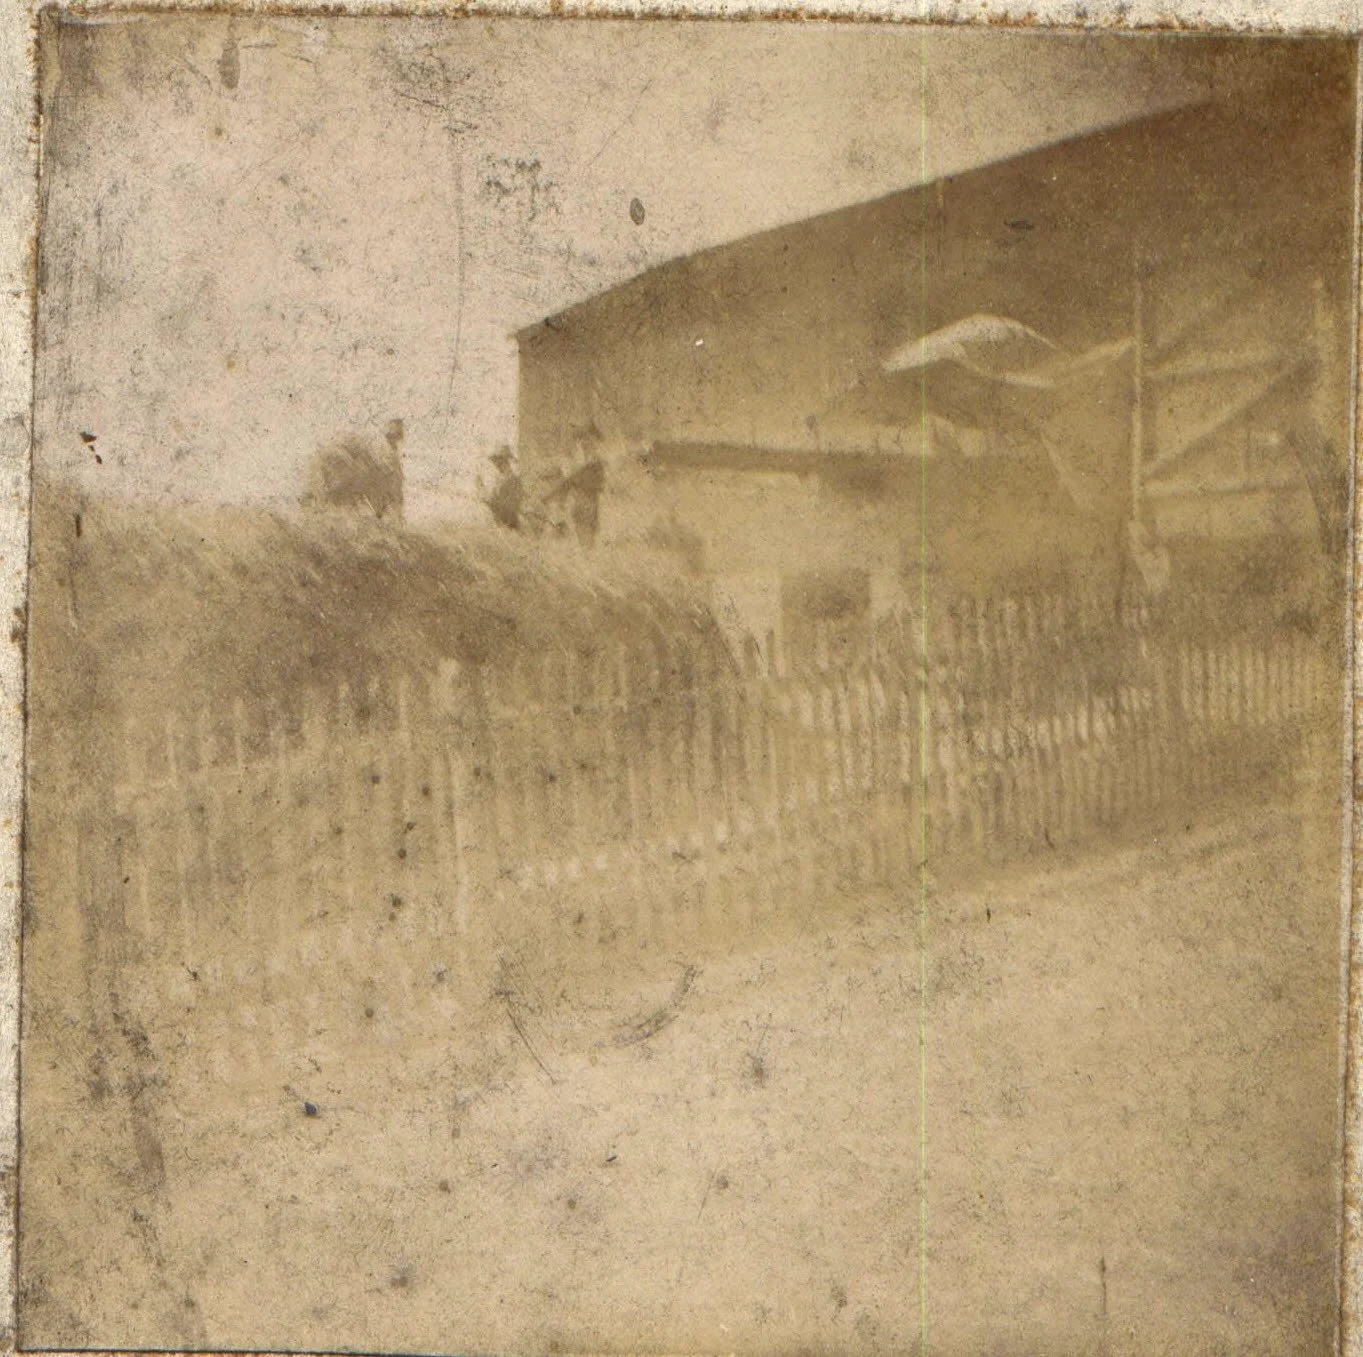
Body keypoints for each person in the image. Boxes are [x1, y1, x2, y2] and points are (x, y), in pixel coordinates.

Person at [485, 446, 524, 531]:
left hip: (509, 524)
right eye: (495, 461)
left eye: (498, 461)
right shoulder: (499, 479)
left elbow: (513, 505)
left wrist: (492, 502)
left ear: (505, 461)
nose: (496, 465)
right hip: (499, 522)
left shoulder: (513, 480)